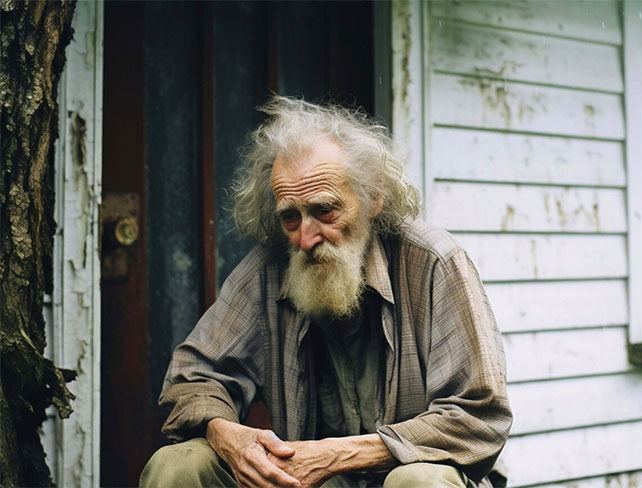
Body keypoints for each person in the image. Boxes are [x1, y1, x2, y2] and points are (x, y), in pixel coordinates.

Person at [140, 97, 512, 488]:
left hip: (408, 477)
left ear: (373, 199)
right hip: (304, 483)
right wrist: (228, 435)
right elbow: (192, 378)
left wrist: (340, 454)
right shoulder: (269, 269)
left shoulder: (434, 262)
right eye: (290, 216)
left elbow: (479, 417)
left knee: (417, 481)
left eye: (325, 211)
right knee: (179, 463)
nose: (305, 238)